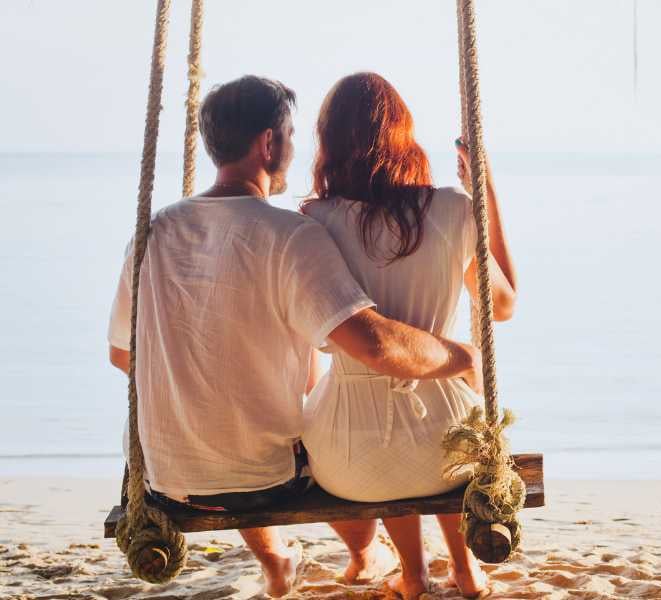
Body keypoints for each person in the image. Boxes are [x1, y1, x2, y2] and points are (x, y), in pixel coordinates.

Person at [106, 75, 482, 598]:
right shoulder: (290, 235)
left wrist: (200, 395)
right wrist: (460, 355)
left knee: (260, 430)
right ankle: (364, 553)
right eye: (288, 133)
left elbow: (122, 354)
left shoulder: (154, 230)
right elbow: (375, 345)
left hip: (164, 478)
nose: (294, 145)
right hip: (264, 481)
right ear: (268, 143)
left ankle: (287, 561)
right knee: (316, 442)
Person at [301, 72, 517, 599]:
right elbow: (503, 305)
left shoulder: (313, 221)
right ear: (405, 134)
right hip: (448, 446)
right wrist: (483, 194)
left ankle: (414, 576)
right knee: (446, 440)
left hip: (348, 460)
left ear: (327, 141)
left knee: (388, 445)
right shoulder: (452, 209)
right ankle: (466, 572)